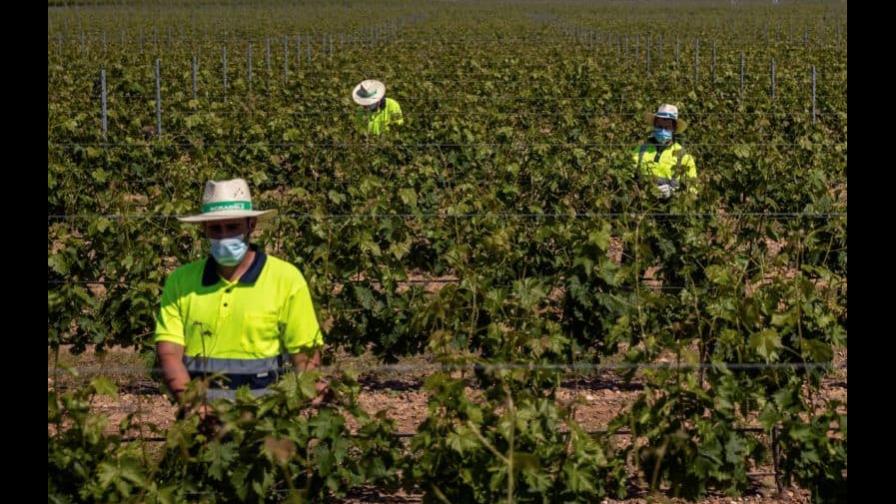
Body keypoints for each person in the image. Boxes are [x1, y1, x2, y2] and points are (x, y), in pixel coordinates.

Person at [154, 178, 325, 413]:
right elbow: (169, 352)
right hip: (201, 422)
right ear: (204, 229)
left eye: (232, 227)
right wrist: (196, 408)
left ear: (251, 225)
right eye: (215, 229)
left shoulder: (286, 279)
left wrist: (310, 389)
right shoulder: (181, 282)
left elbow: (304, 354)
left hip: (265, 423)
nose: (224, 237)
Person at [632, 104, 697, 198]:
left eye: (667, 127)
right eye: (659, 126)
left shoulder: (684, 156)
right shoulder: (641, 150)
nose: (662, 130)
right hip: (642, 206)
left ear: (674, 129)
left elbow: (693, 191)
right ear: (654, 125)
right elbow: (627, 176)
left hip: (668, 209)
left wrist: (674, 193)